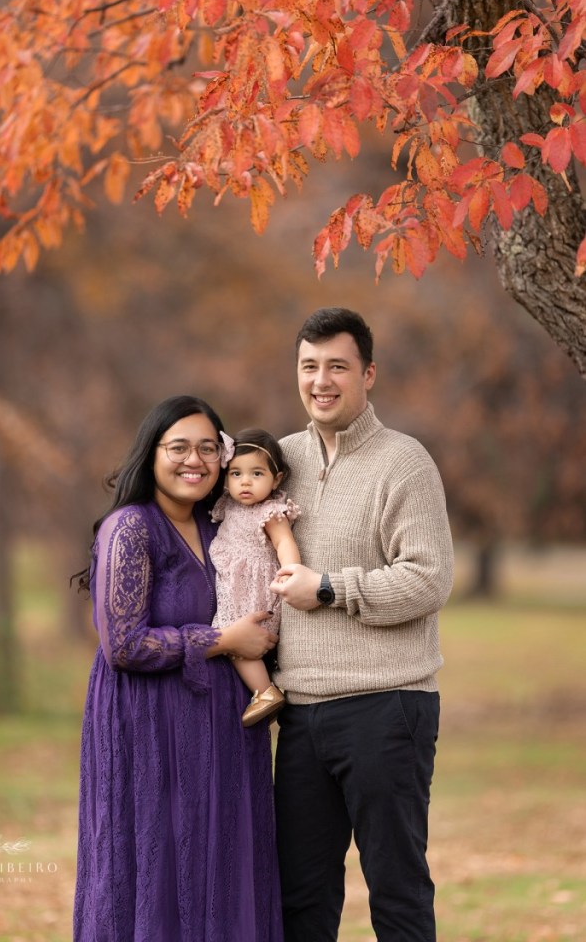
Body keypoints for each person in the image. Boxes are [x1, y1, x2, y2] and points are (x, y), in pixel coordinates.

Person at [270, 308, 455, 942]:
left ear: (368, 374)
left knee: (397, 890)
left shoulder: (404, 462)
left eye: (337, 367)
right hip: (300, 714)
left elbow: (428, 581)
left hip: (387, 706)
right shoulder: (278, 461)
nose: (321, 381)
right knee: (299, 898)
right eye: (309, 367)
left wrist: (326, 588)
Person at [73, 395, 284, 942]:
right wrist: (223, 639)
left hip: (222, 729)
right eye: (180, 447)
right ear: (152, 455)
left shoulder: (219, 528)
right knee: (159, 865)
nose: (195, 460)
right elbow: (124, 645)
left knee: (222, 863)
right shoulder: (131, 528)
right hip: (149, 730)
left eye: (209, 448)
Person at [210, 428, 300, 727]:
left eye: (256, 474)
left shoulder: (271, 511)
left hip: (256, 590)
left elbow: (284, 543)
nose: (244, 482)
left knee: (236, 640)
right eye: (235, 473)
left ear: (276, 479)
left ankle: (265, 692)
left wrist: (290, 573)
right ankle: (264, 689)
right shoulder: (230, 505)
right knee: (233, 638)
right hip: (234, 587)